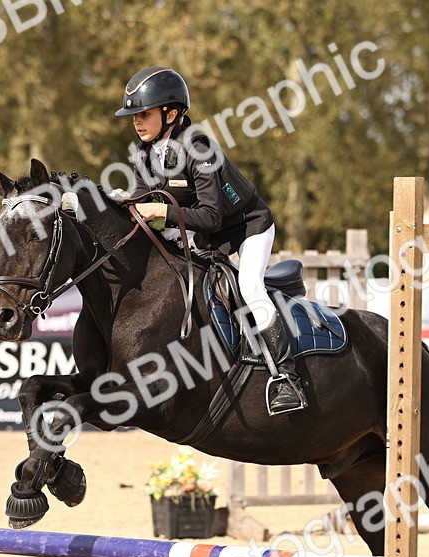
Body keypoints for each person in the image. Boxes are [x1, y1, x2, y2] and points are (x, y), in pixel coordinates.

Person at [112, 66, 305, 415]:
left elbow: (212, 217)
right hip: (205, 235)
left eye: (144, 114)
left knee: (249, 287)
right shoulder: (143, 153)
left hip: (248, 228)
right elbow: (141, 202)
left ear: (170, 114)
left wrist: (162, 212)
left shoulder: (198, 148)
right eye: (134, 116)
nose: (137, 122)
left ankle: (285, 377)